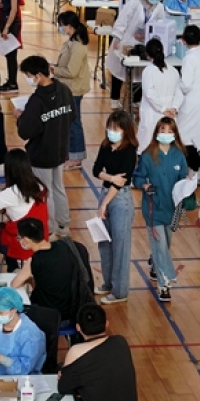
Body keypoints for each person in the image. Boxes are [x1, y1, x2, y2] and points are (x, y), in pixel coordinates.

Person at [59, 304, 139, 401]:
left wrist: (64, 375)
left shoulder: (76, 351)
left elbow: (63, 387)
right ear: (106, 324)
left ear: (78, 327)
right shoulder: (120, 342)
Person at [17, 55, 76, 239]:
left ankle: (48, 229)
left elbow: (25, 131)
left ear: (39, 75)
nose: (28, 79)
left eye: (29, 75)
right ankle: (63, 225)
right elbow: (72, 116)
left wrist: (20, 117)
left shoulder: (36, 101)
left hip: (41, 154)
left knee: (45, 192)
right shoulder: (64, 90)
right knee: (58, 188)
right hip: (60, 149)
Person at [133, 118, 189, 302]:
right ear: (157, 132)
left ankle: (155, 264)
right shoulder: (148, 155)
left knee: (165, 244)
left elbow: (183, 178)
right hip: (153, 209)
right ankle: (164, 284)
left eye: (169, 131)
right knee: (161, 246)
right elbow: (137, 177)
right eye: (162, 130)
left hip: (171, 209)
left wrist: (187, 185)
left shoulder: (179, 156)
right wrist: (144, 185)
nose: (166, 134)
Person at [92, 111, 138, 304]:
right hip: (105, 192)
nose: (111, 131)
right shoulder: (105, 146)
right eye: (110, 127)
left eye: (116, 128)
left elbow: (121, 182)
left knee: (120, 246)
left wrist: (104, 203)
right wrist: (110, 177)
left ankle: (120, 291)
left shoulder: (130, 151)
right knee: (104, 243)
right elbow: (96, 170)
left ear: (125, 130)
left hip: (120, 199)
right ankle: (108, 283)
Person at [0, 149, 49, 271]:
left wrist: (2, 210)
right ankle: (13, 267)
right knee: (4, 230)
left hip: (21, 244)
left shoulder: (12, 193)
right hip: (40, 239)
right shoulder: (39, 185)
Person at [105, 0, 166, 109]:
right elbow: (122, 20)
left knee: (139, 72)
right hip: (126, 39)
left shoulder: (159, 7)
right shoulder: (135, 3)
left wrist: (146, 35)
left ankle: (136, 99)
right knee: (119, 70)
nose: (154, 0)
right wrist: (117, 37)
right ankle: (115, 97)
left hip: (144, 42)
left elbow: (161, 25)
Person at [177, 25, 200, 176]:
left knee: (186, 136)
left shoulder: (189, 58)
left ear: (184, 40)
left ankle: (195, 170)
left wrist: (177, 83)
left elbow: (186, 85)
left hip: (191, 102)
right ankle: (198, 170)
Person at [55, 11, 90, 171]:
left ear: (69, 26)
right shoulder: (71, 41)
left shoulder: (77, 46)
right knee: (68, 122)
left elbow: (71, 71)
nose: (61, 28)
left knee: (74, 123)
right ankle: (69, 152)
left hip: (74, 89)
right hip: (68, 87)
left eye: (62, 25)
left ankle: (76, 157)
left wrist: (54, 70)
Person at [138, 39, 184, 153]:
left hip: (153, 115)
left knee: (148, 148)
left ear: (147, 54)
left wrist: (163, 109)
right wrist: (174, 107)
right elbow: (179, 92)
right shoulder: (173, 70)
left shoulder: (148, 71)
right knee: (167, 148)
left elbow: (149, 94)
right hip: (170, 115)